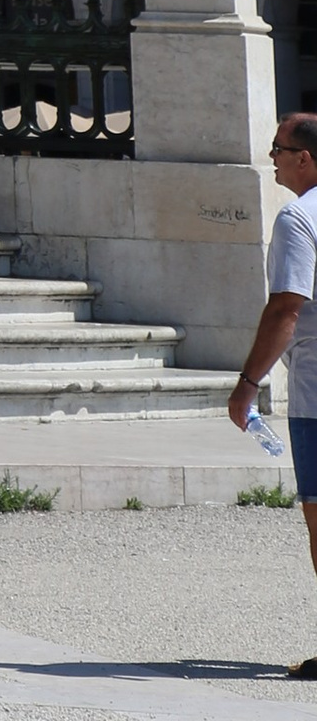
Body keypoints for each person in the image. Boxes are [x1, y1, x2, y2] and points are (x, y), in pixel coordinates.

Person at [228, 110, 317, 666]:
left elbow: (287, 306)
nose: (272, 157)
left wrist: (247, 385)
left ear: (305, 158)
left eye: (279, 149)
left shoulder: (298, 219)